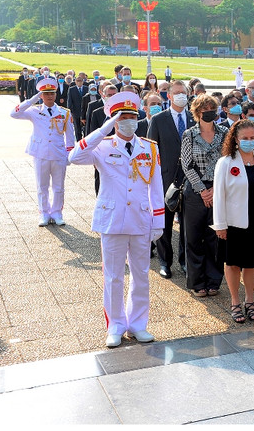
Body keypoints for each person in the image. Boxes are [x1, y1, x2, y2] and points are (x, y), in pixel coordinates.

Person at [68, 91, 163, 348]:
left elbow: (156, 187)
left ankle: (138, 324)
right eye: (122, 117)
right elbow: (73, 157)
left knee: (141, 274)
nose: (129, 122)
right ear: (113, 120)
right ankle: (115, 325)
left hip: (141, 219)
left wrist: (159, 221)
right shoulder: (102, 146)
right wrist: (102, 130)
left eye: (132, 116)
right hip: (112, 219)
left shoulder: (149, 147)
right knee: (113, 276)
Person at [212, 119, 254, 323]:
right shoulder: (226, 162)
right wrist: (220, 224)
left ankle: (250, 301)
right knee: (233, 263)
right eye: (245, 138)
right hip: (234, 223)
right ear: (235, 139)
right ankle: (235, 301)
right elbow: (219, 196)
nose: (249, 141)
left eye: (252, 138)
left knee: (251, 264)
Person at [181, 94, 229, 297]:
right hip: (195, 190)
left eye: (213, 108)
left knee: (215, 237)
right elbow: (186, 164)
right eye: (206, 109)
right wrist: (203, 190)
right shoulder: (189, 135)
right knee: (194, 237)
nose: (210, 112)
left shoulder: (225, 133)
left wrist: (215, 190)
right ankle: (197, 281)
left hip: (219, 189)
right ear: (197, 112)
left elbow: (229, 160)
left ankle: (213, 281)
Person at [10, 78, 75, 226]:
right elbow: (13, 114)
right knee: (42, 186)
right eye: (45, 94)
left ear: (56, 94)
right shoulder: (34, 110)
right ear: (41, 95)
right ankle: (44, 213)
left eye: (52, 93)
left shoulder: (64, 113)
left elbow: (70, 135)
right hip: (40, 153)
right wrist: (31, 100)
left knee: (59, 187)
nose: (49, 96)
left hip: (58, 153)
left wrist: (69, 154)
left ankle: (57, 212)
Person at [147, 80, 194, 278]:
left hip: (191, 179)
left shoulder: (194, 118)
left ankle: (185, 261)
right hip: (166, 179)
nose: (180, 95)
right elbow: (151, 150)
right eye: (176, 92)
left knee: (187, 224)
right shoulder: (158, 119)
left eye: (183, 92)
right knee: (164, 223)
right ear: (169, 96)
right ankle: (165, 262)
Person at [68, 75, 87, 141]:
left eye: (80, 81)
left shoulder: (86, 89)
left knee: (85, 128)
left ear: (83, 82)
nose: (79, 82)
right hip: (76, 112)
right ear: (75, 82)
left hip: (85, 112)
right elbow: (70, 101)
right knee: (77, 128)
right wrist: (71, 112)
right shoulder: (71, 89)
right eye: (78, 81)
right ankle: (78, 141)